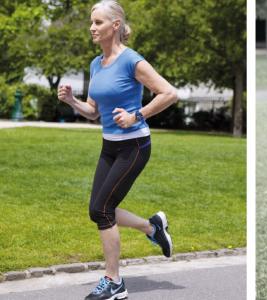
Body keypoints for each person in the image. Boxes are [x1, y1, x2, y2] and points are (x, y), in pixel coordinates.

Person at [57, 1, 178, 299]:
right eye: (91, 22)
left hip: (134, 146)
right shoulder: (96, 64)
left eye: (98, 22)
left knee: (102, 210)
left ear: (115, 26)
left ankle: (114, 282)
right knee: (96, 210)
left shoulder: (132, 61)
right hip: (109, 146)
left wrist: (136, 114)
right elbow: (93, 111)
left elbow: (169, 93)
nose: (91, 27)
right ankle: (152, 228)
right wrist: (73, 102)